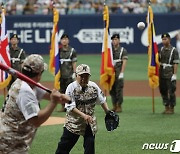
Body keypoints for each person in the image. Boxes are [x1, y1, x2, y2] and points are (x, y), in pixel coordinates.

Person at [0, 54, 70, 153]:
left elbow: (48, 94)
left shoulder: (28, 84)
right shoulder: (24, 90)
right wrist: (53, 102)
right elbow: (36, 120)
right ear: (39, 75)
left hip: (13, 140)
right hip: (10, 143)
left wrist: (60, 97)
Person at [55, 64, 110, 154]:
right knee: (62, 149)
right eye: (81, 76)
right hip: (73, 124)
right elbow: (70, 107)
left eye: (86, 76)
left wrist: (107, 112)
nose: (84, 78)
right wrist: (83, 115)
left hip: (89, 123)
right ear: (76, 75)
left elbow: (102, 100)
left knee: (90, 148)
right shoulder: (71, 87)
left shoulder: (94, 87)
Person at [159, 33, 179, 114]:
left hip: (170, 73)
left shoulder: (174, 50)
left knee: (171, 91)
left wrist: (174, 74)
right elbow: (158, 60)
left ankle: (172, 107)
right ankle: (166, 106)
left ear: (169, 40)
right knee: (163, 90)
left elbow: (176, 63)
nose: (164, 41)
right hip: (162, 73)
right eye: (163, 39)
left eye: (165, 39)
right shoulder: (161, 50)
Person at [58, 34, 77, 112]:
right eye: (63, 39)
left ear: (68, 40)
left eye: (66, 39)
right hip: (61, 74)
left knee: (69, 91)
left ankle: (70, 106)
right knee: (61, 91)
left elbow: (74, 62)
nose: (64, 41)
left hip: (69, 74)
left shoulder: (72, 50)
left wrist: (74, 73)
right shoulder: (58, 51)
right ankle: (63, 106)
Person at [110, 33, 128, 112]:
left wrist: (122, 72)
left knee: (118, 90)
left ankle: (119, 105)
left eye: (116, 39)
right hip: (111, 73)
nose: (114, 41)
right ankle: (114, 105)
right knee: (112, 90)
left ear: (119, 40)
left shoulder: (122, 50)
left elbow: (124, 62)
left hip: (118, 73)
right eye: (113, 40)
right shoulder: (109, 50)